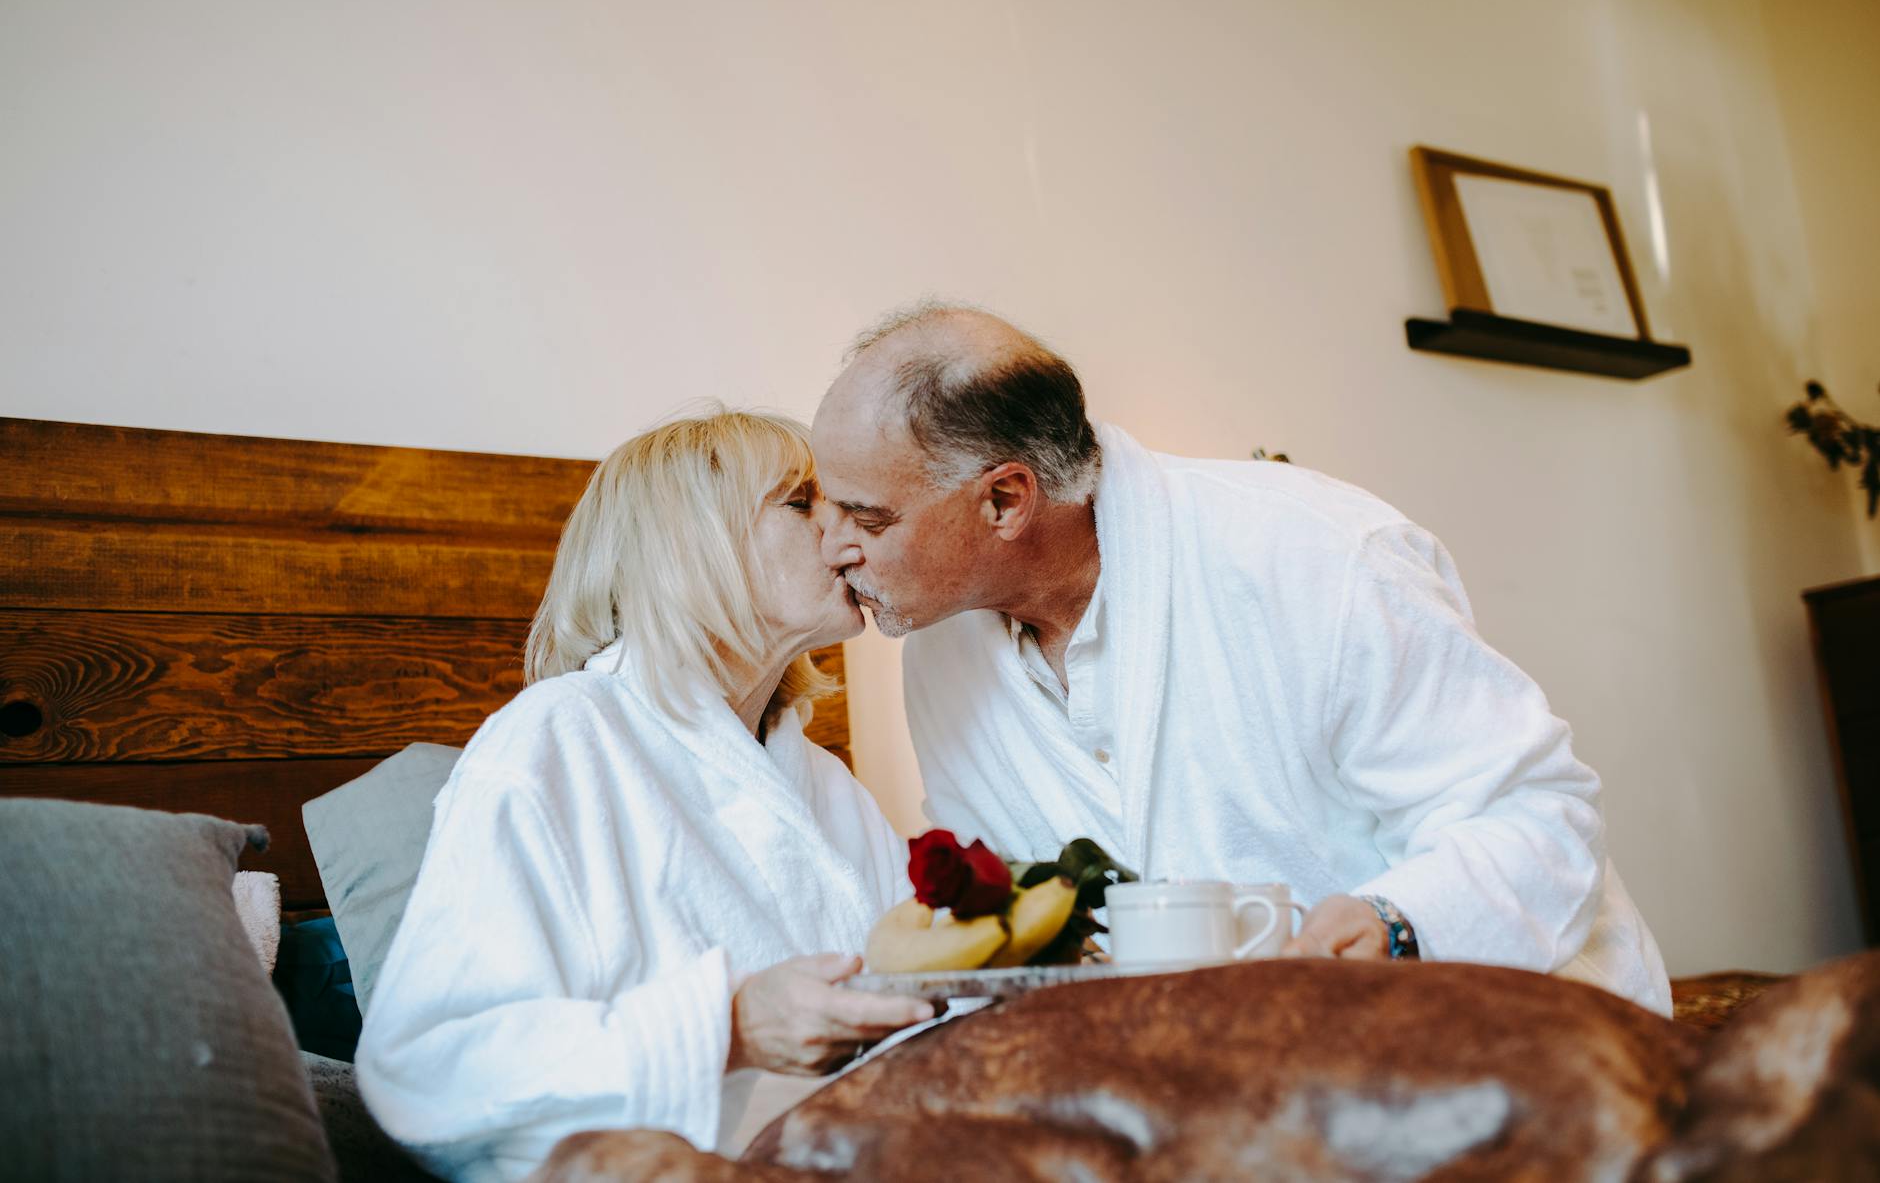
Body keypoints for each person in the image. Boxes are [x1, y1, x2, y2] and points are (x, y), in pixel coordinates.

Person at [811, 302, 1671, 1014]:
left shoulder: (1317, 556)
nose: (834, 546)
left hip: (1518, 1039)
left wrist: (1397, 923)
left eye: (869, 518)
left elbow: (1541, 818)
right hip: (1228, 1093)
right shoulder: (941, 653)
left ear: (1005, 498)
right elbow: (1024, 920)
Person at [356, 410, 933, 1182]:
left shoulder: (821, 780)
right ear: (691, 543)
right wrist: (725, 1026)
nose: (845, 529)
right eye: (801, 502)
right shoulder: (554, 739)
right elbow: (423, 1073)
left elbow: (918, 987)